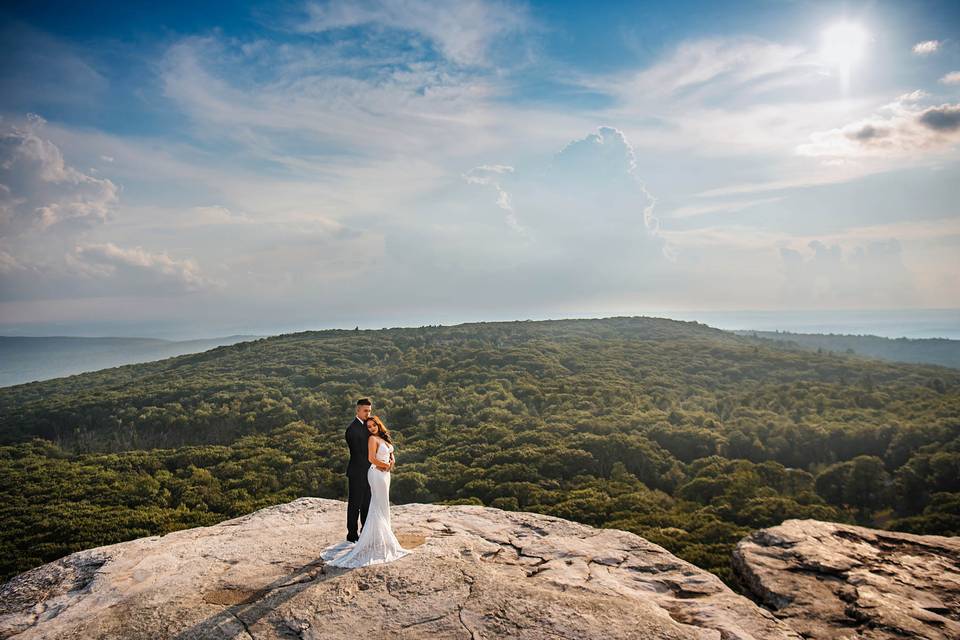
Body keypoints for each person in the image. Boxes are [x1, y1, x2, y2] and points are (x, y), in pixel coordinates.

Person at [322, 415, 410, 568]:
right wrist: (383, 465)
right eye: (369, 427)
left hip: (386, 474)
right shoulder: (372, 439)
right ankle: (375, 539)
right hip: (377, 473)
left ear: (378, 424)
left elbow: (390, 451)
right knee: (377, 503)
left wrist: (392, 461)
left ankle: (382, 536)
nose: (371, 429)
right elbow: (371, 458)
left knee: (383, 504)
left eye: (373, 426)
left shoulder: (383, 437)